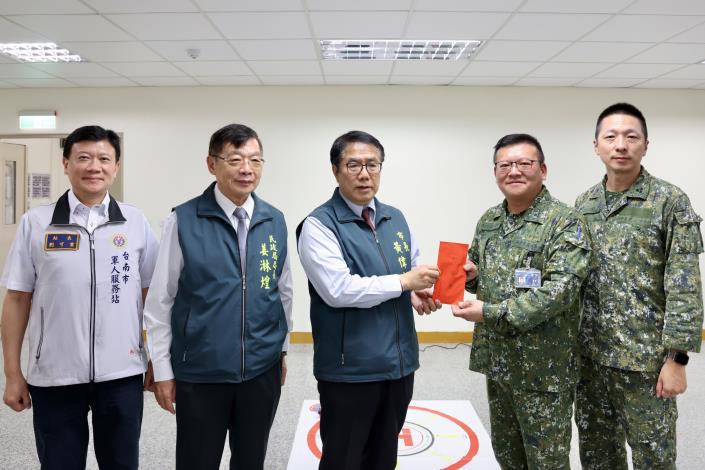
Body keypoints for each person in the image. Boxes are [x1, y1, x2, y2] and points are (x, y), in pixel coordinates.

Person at [1, 125, 159, 470]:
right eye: (83, 157)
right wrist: (12, 373)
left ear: (116, 166)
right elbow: (17, 299)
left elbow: (153, 297)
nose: (94, 167)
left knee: (121, 464)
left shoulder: (135, 222)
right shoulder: (36, 223)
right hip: (55, 374)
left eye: (104, 159)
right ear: (66, 164)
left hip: (122, 374)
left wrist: (157, 360)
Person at [143, 123, 292, 470]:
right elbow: (161, 301)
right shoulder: (183, 220)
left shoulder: (274, 219)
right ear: (212, 164)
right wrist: (162, 369)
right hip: (201, 373)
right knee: (197, 461)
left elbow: (283, 291)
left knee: (251, 460)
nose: (247, 169)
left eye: (255, 160)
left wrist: (282, 350)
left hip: (261, 370)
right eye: (235, 159)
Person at [297, 130, 441, 470]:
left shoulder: (395, 217)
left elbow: (408, 271)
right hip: (351, 371)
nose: (365, 174)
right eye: (354, 165)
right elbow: (338, 290)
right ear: (335, 170)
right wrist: (404, 282)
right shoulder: (319, 225)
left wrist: (414, 293)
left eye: (372, 165)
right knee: (344, 458)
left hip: (399, 364)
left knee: (383, 457)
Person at [575, 102, 703, 469]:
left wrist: (677, 358)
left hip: (646, 364)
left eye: (631, 137)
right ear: (596, 145)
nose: (621, 145)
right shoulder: (584, 204)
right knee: (598, 457)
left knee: (654, 459)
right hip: (591, 361)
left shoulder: (669, 201)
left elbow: (684, 284)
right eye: (611, 137)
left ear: (645, 145)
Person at [453, 133, 591, 469]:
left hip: (543, 368)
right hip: (499, 361)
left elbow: (560, 291)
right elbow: (484, 277)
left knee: (546, 460)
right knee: (507, 455)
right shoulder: (490, 221)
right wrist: (470, 276)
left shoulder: (565, 222)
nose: (513, 171)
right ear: (495, 172)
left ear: (543, 170)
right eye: (505, 165)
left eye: (524, 163)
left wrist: (490, 312)